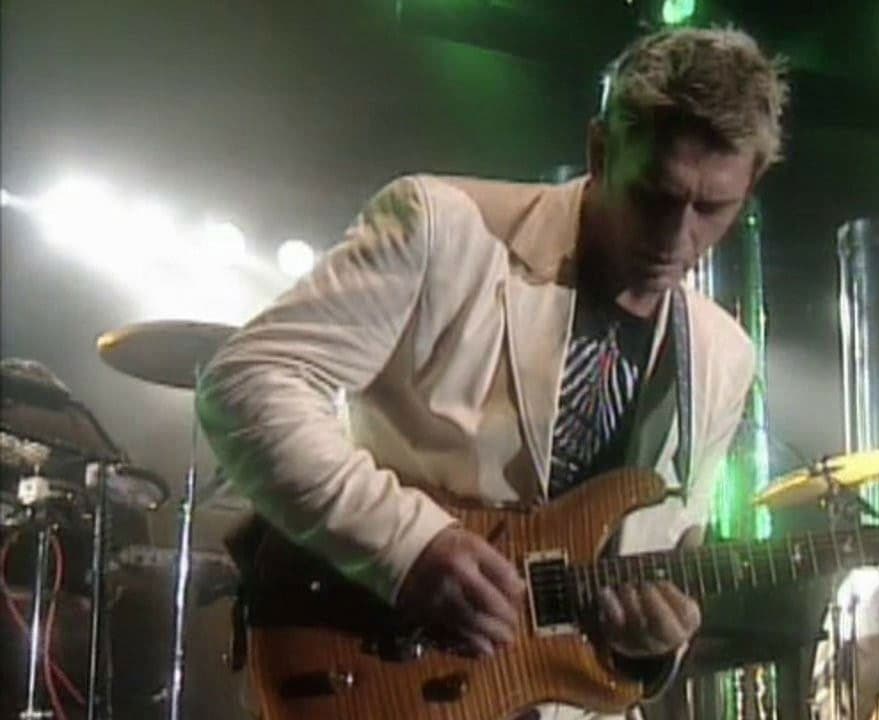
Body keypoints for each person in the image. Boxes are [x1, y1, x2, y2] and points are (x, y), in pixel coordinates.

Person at [195, 26, 788, 719]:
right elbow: (246, 381)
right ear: (599, 152)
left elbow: (669, 552)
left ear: (752, 185)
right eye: (654, 196)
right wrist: (409, 546)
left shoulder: (723, 356)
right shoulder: (444, 226)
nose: (675, 238)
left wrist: (652, 647)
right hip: (379, 676)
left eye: (711, 209)